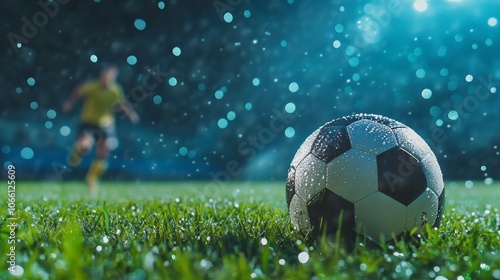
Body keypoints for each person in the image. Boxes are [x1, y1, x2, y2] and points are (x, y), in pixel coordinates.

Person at [63, 66, 139, 195]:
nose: (107, 80)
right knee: (85, 147)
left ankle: (92, 178)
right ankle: (77, 151)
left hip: (106, 124)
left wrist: (130, 114)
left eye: (110, 78)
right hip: (88, 121)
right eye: (105, 77)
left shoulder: (115, 90)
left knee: (104, 152)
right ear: (101, 76)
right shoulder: (92, 87)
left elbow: (120, 103)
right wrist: (70, 102)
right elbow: (78, 90)